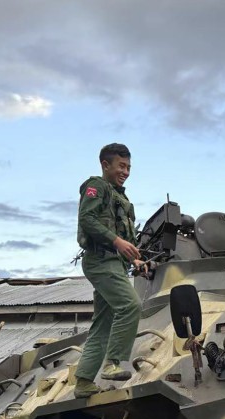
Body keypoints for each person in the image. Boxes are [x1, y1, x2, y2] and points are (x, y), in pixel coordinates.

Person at [73, 142, 147, 398]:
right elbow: (87, 219)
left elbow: (123, 234)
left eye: (128, 167)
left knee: (103, 325)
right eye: (121, 166)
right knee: (129, 306)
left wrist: (135, 259)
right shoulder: (96, 186)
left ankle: (83, 382)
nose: (125, 171)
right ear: (106, 165)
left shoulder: (120, 197)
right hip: (100, 260)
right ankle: (114, 363)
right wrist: (117, 242)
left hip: (114, 263)